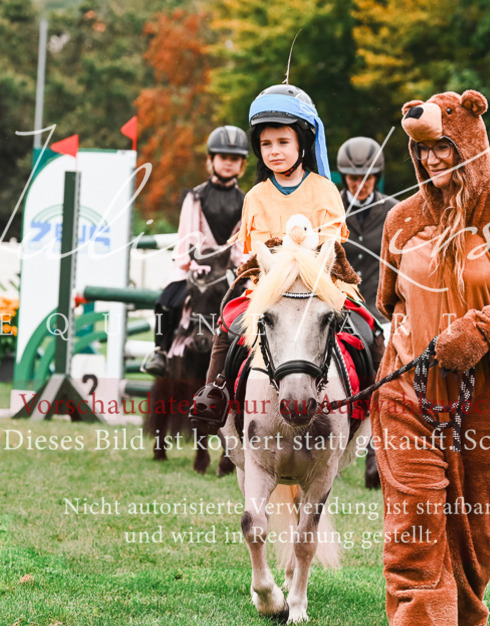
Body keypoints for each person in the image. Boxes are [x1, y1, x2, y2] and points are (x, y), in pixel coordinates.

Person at [371, 90, 490, 626]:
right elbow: (388, 303)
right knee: (415, 512)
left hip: (486, 400)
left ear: (470, 146)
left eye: (444, 148)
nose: (432, 161)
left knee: (473, 522)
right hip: (407, 389)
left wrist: (479, 332)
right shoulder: (401, 220)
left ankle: (465, 611)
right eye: (423, 152)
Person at [188, 83, 353, 433]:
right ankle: (213, 396)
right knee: (228, 326)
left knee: (366, 332)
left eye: (283, 142)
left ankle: (375, 406)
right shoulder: (256, 196)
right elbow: (257, 250)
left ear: (302, 145)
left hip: (319, 288)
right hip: (269, 291)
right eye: (266, 144)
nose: (274, 151)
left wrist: (302, 257)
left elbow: (332, 243)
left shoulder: (324, 190)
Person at [142, 126, 249, 377]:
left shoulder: (247, 201)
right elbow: (187, 236)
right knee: (165, 303)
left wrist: (239, 267)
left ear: (241, 164)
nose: (228, 163)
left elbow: (242, 240)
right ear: (211, 160)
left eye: (234, 159)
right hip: (194, 264)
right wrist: (192, 263)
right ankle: (160, 351)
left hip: (229, 269)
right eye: (223, 158)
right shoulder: (195, 196)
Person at [336, 136, 399, 490]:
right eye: (353, 179)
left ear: (378, 177)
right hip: (341, 309)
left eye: (368, 179)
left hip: (381, 313)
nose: (360, 185)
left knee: (384, 385)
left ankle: (377, 457)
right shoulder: (329, 209)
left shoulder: (395, 210)